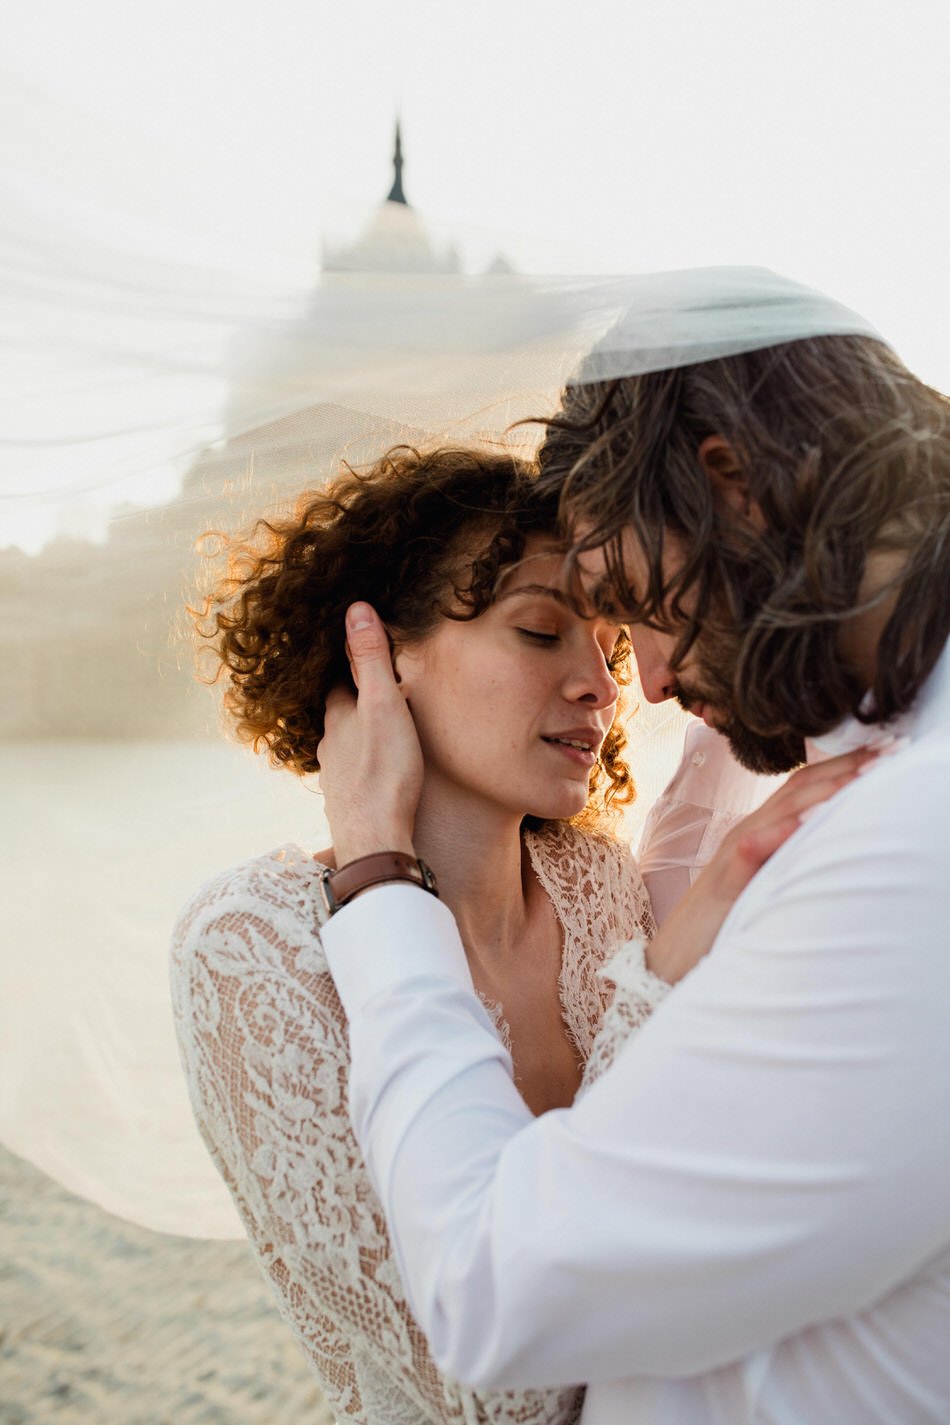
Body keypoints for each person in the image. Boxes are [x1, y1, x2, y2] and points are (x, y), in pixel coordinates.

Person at [313, 270, 950, 1423]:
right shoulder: (875, 788)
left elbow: (488, 1287)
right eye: (551, 628)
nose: (639, 684)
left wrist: (373, 878)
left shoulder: (916, 841)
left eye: (624, 608)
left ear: (733, 486)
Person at [170, 440, 866, 1425]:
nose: (600, 684)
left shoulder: (596, 884)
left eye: (611, 645)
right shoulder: (250, 950)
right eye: (541, 631)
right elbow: (505, 1395)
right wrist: (668, 966)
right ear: (381, 654)